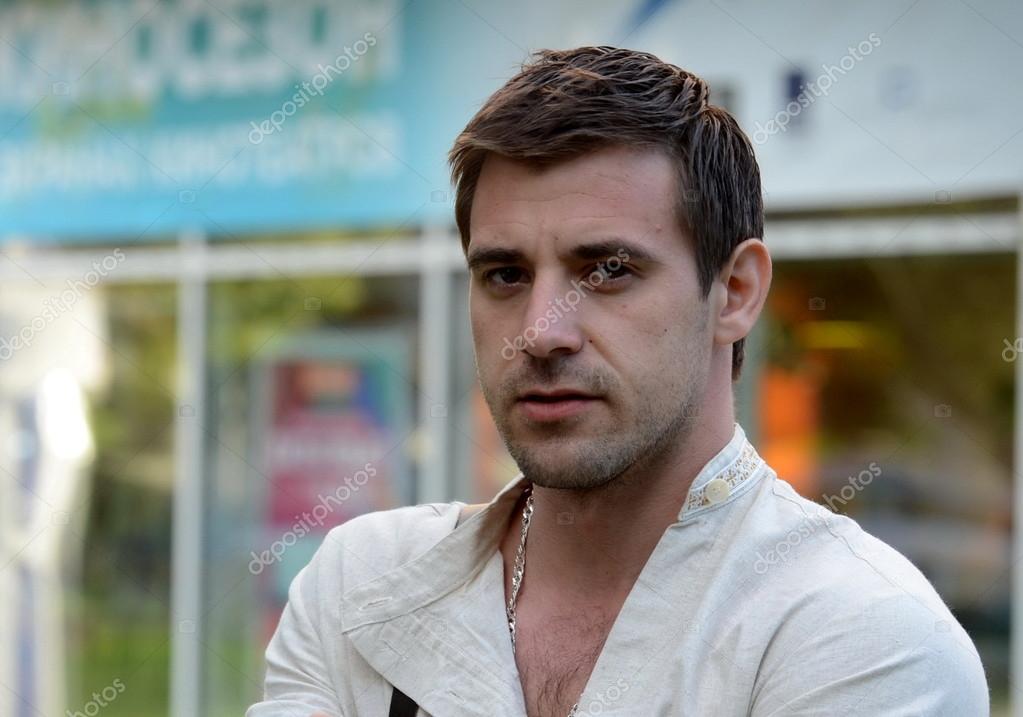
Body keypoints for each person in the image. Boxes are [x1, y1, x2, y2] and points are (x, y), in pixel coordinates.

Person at [247, 45, 988, 717]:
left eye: (607, 270)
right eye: (505, 274)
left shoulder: (858, 632)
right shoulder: (361, 586)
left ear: (734, 292)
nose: (541, 332)